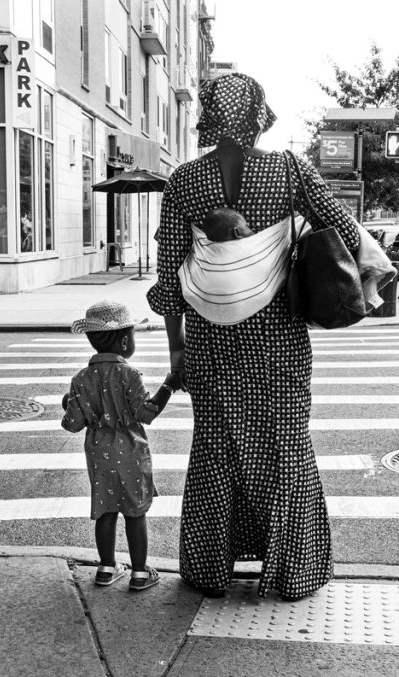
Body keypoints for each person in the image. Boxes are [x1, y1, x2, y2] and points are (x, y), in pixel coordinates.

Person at [147, 72, 360, 601]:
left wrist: (178, 349)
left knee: (217, 451)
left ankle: (210, 571)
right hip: (279, 338)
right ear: (259, 115)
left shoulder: (184, 181)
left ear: (210, 116)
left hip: (210, 341)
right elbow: (347, 232)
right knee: (286, 449)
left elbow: (170, 273)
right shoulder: (288, 169)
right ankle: (293, 573)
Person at [60, 300, 183, 592]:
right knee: (135, 513)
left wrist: (68, 402)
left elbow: (72, 423)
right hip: (130, 452)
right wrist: (169, 385)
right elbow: (147, 413)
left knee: (105, 510)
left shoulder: (81, 378)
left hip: (99, 455)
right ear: (125, 340)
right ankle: (139, 573)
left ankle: (106, 568)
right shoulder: (130, 375)